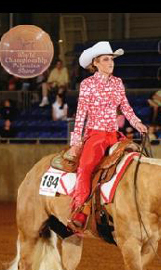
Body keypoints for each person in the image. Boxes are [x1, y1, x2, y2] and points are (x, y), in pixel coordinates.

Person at [67, 41, 148, 230]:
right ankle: (79, 210)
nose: (111, 62)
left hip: (115, 135)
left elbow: (125, 107)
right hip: (96, 137)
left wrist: (137, 123)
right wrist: (76, 140)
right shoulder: (87, 84)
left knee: (138, 161)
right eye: (106, 59)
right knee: (85, 168)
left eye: (112, 59)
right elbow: (81, 113)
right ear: (95, 62)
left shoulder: (117, 82)